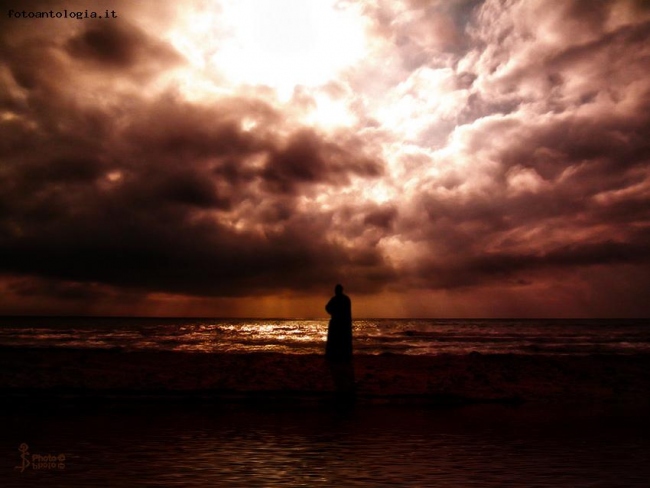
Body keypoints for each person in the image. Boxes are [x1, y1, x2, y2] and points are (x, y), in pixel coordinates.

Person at [325, 284, 353, 361]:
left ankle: (336, 356)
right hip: (343, 322)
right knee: (342, 341)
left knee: (337, 340)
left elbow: (327, 307)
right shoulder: (346, 299)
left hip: (338, 322)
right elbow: (327, 307)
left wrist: (332, 313)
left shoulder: (336, 299)